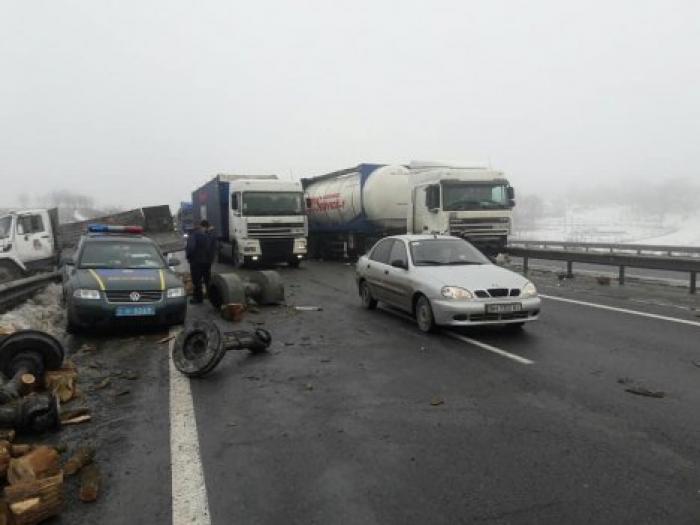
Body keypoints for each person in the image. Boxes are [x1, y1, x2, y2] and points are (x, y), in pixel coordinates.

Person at [185, 220, 217, 304]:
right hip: (207, 262)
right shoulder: (210, 234)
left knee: (197, 280)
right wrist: (211, 259)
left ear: (200, 226)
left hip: (196, 261)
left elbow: (191, 247)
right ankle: (212, 297)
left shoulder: (195, 234)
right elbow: (214, 247)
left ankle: (198, 299)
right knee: (207, 280)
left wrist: (188, 256)